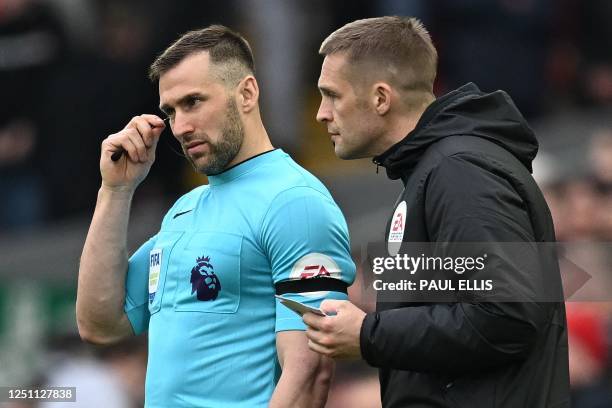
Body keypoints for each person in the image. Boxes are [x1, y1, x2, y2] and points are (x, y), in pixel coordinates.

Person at [76, 25, 355, 407]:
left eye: (193, 102)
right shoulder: (184, 211)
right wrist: (115, 191)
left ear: (246, 93)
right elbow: (100, 324)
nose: (180, 127)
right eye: (170, 111)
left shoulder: (294, 202)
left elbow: (309, 372)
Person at [303, 16, 569, 407]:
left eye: (332, 95)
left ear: (380, 98)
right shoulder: (431, 171)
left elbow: (506, 315)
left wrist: (367, 334)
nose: (321, 114)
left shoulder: (458, 170)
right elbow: (457, 304)